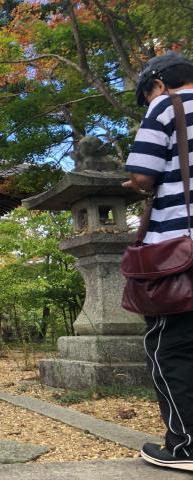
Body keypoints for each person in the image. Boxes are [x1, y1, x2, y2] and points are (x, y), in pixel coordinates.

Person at [124, 51, 193, 472]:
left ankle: (185, 445)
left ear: (159, 83)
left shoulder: (167, 105)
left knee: (172, 346)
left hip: (182, 252)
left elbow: (142, 174)